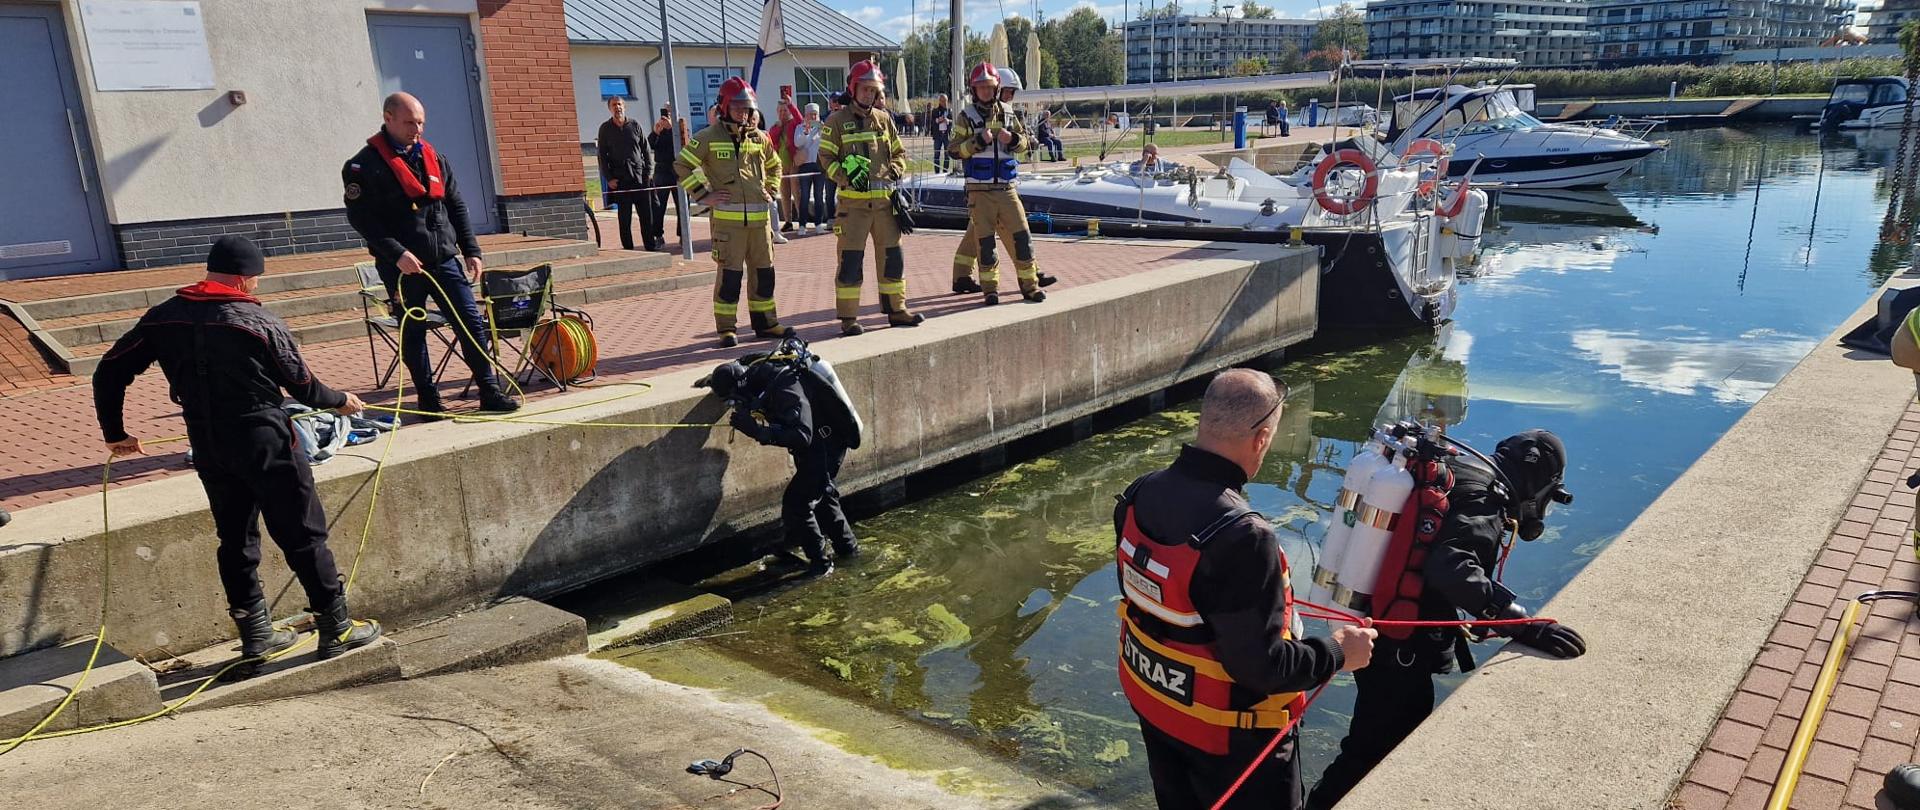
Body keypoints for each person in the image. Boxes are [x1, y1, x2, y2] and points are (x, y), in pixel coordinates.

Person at [92, 236, 383, 674]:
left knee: (235, 538)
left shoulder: (163, 317)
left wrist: (115, 432)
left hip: (208, 442)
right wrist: (341, 400)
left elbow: (108, 370)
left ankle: (256, 635)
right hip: (264, 437)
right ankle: (335, 627)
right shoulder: (256, 320)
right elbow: (304, 387)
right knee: (303, 533)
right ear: (247, 279)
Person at [1116, 369, 1376, 810]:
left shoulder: (1138, 496)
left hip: (1161, 714)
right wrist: (1337, 652)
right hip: (1232, 742)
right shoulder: (1243, 537)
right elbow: (1263, 668)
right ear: (1260, 439)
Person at [1304, 429, 1588, 809]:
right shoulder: (1485, 498)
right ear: (1539, 483)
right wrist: (1519, 622)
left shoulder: (1457, 470)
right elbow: (1452, 567)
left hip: (1376, 624)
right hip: (1399, 645)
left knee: (1375, 741)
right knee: (1374, 749)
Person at [344, 92, 518, 416]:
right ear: (389, 118)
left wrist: (471, 250)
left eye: (421, 122)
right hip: (402, 266)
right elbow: (362, 219)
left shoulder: (433, 157)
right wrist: (396, 254)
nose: (417, 129)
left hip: (444, 258)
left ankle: (489, 390)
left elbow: (456, 205)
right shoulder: (362, 165)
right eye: (410, 122)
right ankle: (428, 397)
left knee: (470, 323)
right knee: (414, 330)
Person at [702, 338, 863, 577]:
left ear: (744, 386)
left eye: (735, 401)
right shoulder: (754, 369)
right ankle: (849, 552)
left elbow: (802, 435)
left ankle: (821, 564)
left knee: (797, 504)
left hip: (825, 443)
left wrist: (757, 430)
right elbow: (731, 372)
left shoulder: (784, 388)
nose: (736, 407)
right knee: (822, 496)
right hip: (818, 442)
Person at [675, 78, 795, 348]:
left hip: (760, 225)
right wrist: (705, 195)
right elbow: (682, 166)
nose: (744, 113)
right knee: (730, 278)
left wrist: (771, 188)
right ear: (725, 107)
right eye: (739, 108)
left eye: (748, 109)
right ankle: (727, 329)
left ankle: (766, 323)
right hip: (728, 227)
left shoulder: (760, 138)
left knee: (764, 274)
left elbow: (776, 166)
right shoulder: (707, 137)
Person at [820, 59, 923, 336]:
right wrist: (843, 175)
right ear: (853, 89)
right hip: (853, 208)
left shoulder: (884, 119)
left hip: (886, 206)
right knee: (850, 262)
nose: (869, 95)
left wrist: (896, 169)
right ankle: (849, 318)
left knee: (893, 258)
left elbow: (899, 153)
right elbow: (825, 158)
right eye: (864, 89)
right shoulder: (836, 121)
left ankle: (897, 310)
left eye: (873, 90)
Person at [949, 63, 1053, 306]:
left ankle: (1030, 286)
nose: (986, 91)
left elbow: (1027, 143)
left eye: (990, 87)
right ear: (974, 90)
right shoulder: (966, 117)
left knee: (1022, 236)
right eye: (981, 87)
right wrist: (977, 141)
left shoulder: (1008, 113)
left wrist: (1014, 139)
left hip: (1006, 188)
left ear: (996, 88)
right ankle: (990, 290)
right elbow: (954, 150)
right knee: (985, 244)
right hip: (979, 191)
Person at [598, 96, 657, 252]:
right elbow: (602, 156)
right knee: (624, 218)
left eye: (620, 104)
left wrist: (648, 173)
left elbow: (646, 149)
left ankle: (650, 246)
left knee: (646, 216)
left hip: (639, 178)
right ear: (609, 108)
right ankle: (628, 249)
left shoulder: (635, 125)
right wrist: (609, 178)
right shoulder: (605, 128)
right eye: (614, 105)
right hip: (620, 179)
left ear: (624, 107)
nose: (617, 108)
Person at [793, 103, 827, 236]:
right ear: (805, 115)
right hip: (805, 165)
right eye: (810, 114)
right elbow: (797, 143)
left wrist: (822, 129)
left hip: (819, 165)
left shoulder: (822, 127)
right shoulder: (800, 128)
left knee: (819, 196)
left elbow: (827, 142)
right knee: (805, 196)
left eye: (815, 114)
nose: (813, 116)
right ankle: (802, 225)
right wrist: (807, 131)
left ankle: (818, 224)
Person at [647, 108, 678, 251]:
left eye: (669, 115)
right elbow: (649, 146)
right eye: (664, 115)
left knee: (682, 206)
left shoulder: (680, 128)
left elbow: (683, 144)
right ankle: (658, 235)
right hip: (661, 171)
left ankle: (683, 234)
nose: (665, 119)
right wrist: (655, 132)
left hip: (678, 170)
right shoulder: (658, 130)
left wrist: (672, 129)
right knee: (658, 206)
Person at [929, 94, 954, 173]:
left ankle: (945, 171)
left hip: (947, 135)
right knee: (937, 154)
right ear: (939, 101)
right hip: (938, 135)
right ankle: (937, 171)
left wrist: (948, 121)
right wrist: (937, 120)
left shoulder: (950, 111)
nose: (944, 102)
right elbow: (931, 122)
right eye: (942, 101)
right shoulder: (935, 111)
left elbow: (954, 121)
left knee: (947, 154)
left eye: (945, 101)